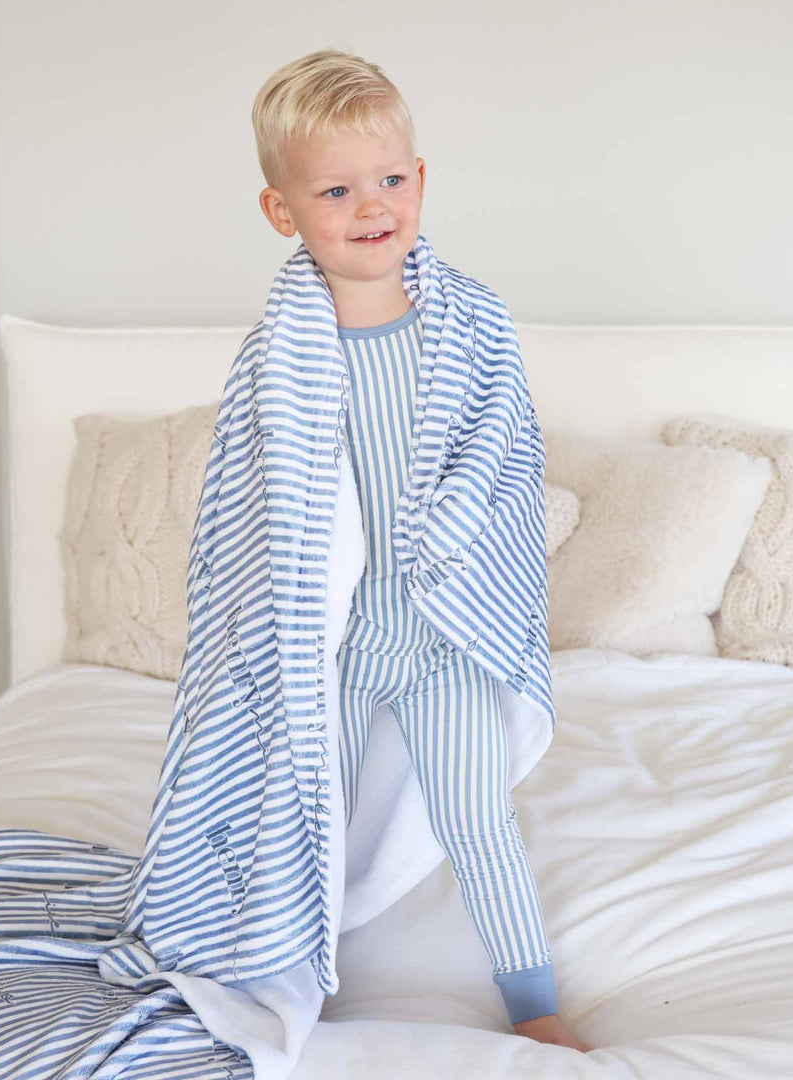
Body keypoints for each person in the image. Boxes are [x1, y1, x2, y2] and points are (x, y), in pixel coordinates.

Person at [251, 48, 593, 1054]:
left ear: (423, 182)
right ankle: (289, 980)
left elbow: (502, 440)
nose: (373, 205)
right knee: (305, 815)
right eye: (337, 188)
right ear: (283, 212)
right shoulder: (282, 347)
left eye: (391, 179)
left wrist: (454, 517)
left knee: (476, 817)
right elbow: (254, 500)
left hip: (442, 634)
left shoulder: (471, 320)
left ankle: (533, 999)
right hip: (340, 646)